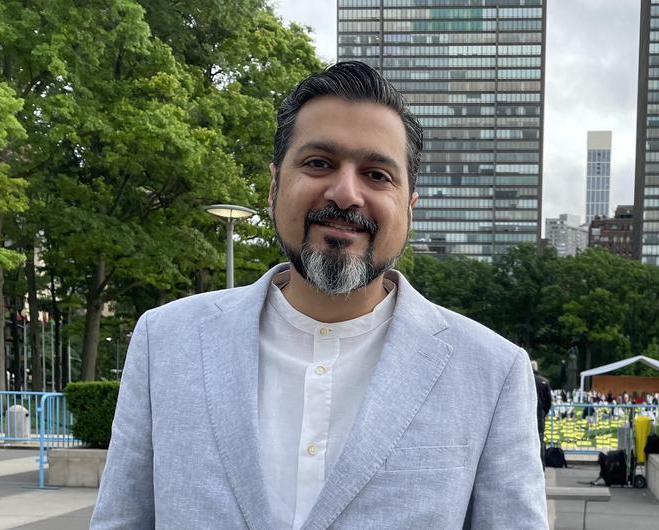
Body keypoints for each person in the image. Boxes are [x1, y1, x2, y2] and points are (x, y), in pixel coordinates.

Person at [90, 61, 546, 529]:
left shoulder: (491, 371)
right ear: (274, 186)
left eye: (377, 175)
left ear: (409, 207)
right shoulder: (165, 341)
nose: (346, 193)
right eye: (319, 163)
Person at [533, 361, 552, 467]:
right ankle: (541, 466)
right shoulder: (544, 381)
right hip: (540, 414)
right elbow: (548, 402)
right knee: (539, 440)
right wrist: (544, 412)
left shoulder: (525, 380)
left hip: (527, 414)